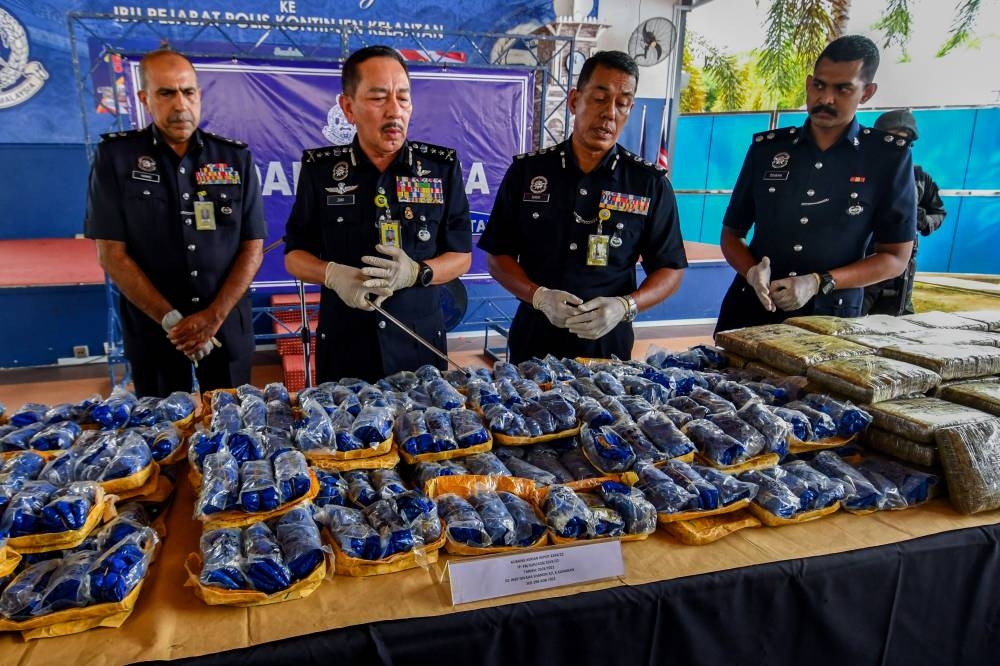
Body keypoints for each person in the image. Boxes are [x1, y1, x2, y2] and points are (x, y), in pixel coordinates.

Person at [478, 50, 687, 362]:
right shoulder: (528, 173)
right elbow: (498, 255)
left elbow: (669, 268)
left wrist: (626, 306)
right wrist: (540, 297)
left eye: (622, 103)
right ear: (575, 100)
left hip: (607, 346)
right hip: (534, 339)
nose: (609, 114)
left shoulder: (649, 184)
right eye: (600, 98)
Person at [284, 45, 472, 383]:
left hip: (419, 348)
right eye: (378, 98)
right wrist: (332, 274)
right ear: (348, 107)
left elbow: (461, 257)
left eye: (403, 98)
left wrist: (417, 272)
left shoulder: (440, 168)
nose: (394, 111)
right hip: (345, 348)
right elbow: (294, 256)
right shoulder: (321, 171)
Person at [85, 49, 265, 397]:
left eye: (188, 92)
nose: (180, 104)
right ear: (145, 99)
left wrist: (213, 317)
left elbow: (252, 247)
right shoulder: (117, 158)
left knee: (235, 431)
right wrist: (173, 322)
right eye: (166, 93)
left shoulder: (234, 157)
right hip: (155, 330)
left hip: (225, 325)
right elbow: (111, 254)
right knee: (162, 433)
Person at [714, 35, 917, 334]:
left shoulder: (887, 157)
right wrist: (751, 271)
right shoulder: (768, 149)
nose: (825, 99)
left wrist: (819, 281)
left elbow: (895, 257)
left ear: (867, 93)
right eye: (819, 85)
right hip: (751, 310)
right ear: (809, 83)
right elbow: (732, 234)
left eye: (843, 89)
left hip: (828, 320)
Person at [862, 109, 947, 315]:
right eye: (892, 138)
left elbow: (939, 212)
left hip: (901, 267)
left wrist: (923, 219)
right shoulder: (859, 170)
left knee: (895, 322)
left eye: (905, 140)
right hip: (863, 262)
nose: (899, 145)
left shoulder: (920, 177)